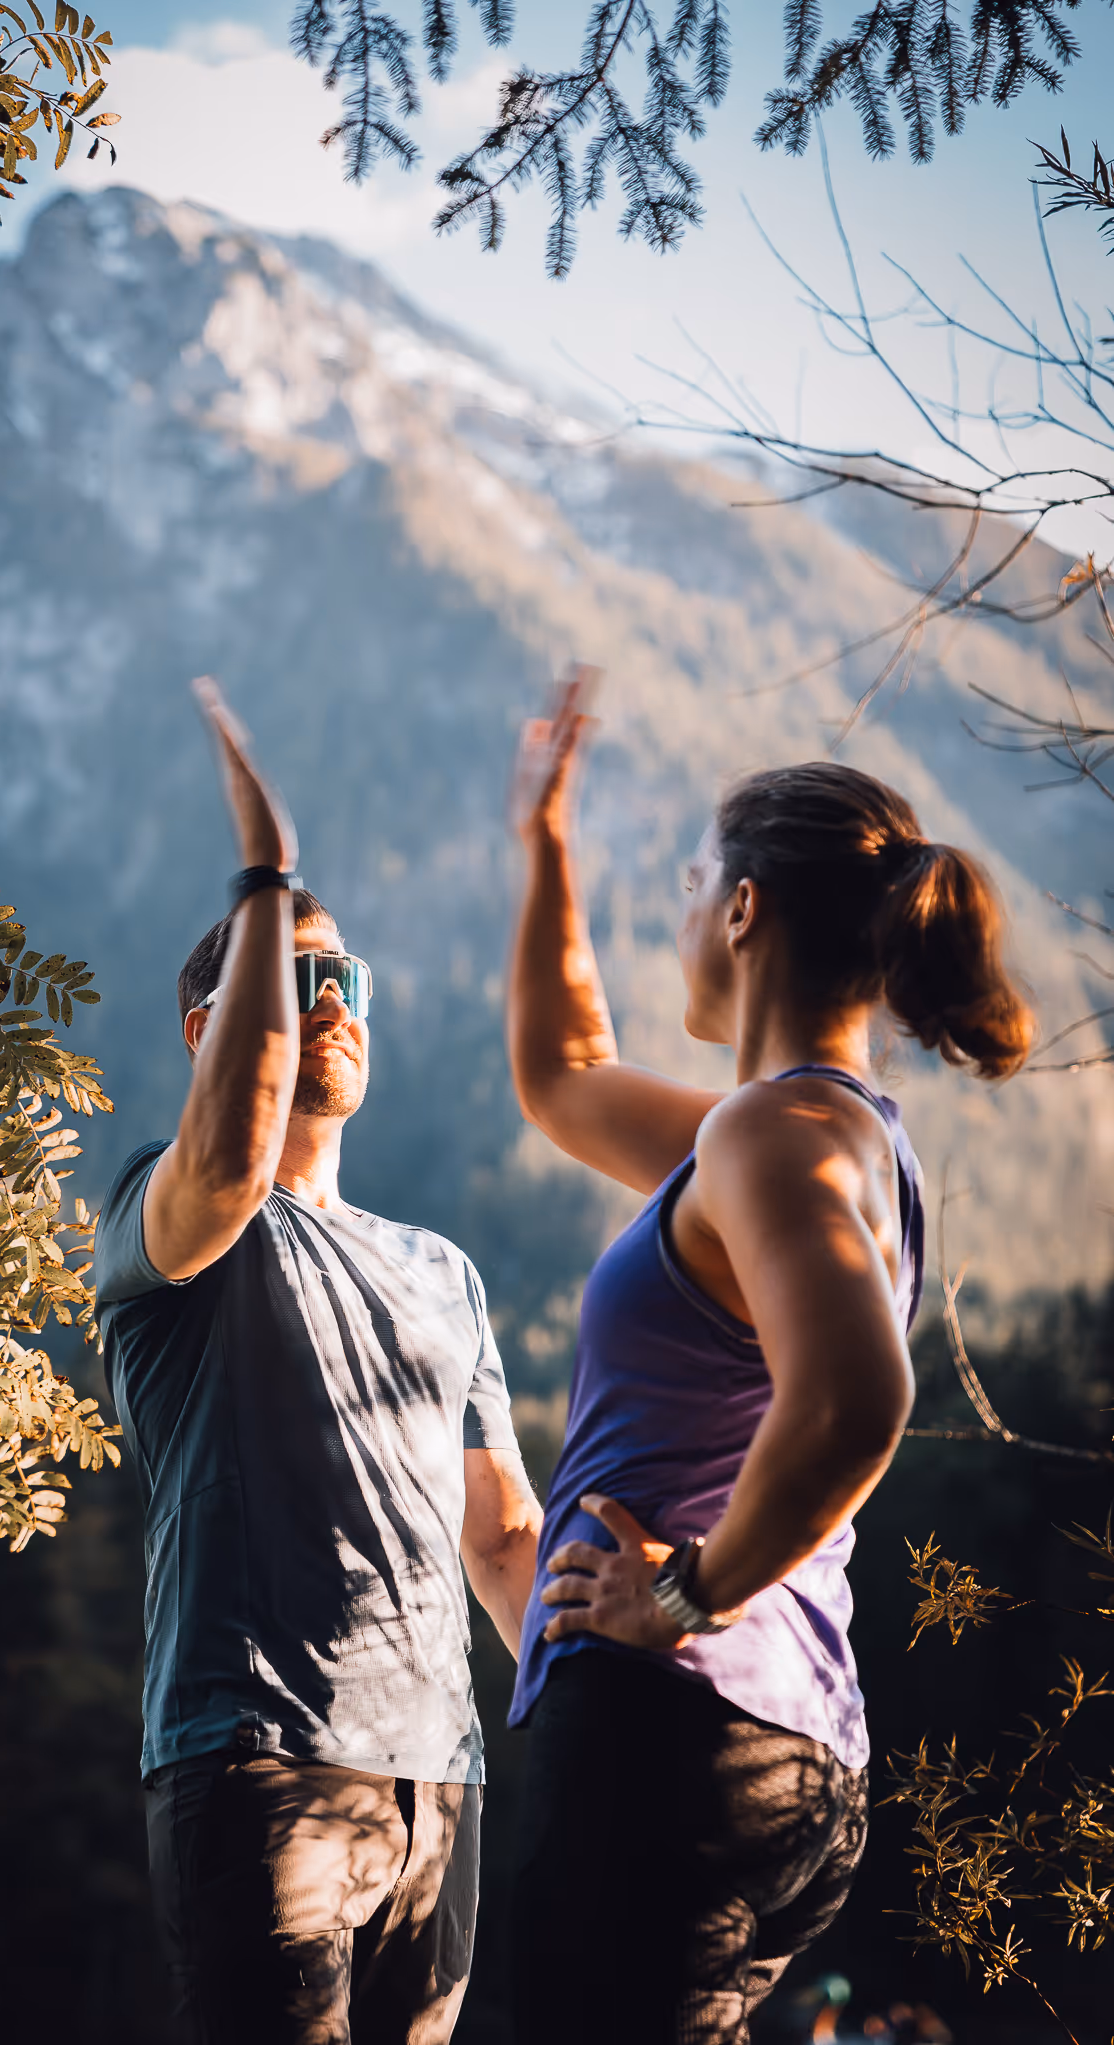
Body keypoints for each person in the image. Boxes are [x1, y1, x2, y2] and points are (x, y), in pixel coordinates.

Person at [504, 670, 1034, 2045]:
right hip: (780, 1750)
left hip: (668, 1736)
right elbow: (562, 1080)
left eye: (691, 882)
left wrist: (684, 1597)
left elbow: (858, 1403)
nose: (679, 912)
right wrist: (544, 851)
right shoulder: (812, 1136)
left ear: (741, 909)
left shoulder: (770, 1136)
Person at [94, 680, 542, 2045]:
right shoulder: (169, 1220)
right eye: (293, 979)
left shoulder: (444, 1270)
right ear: (210, 1030)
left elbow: (505, 1533)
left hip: (438, 1790)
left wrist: (601, 1719)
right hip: (256, 1760)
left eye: (343, 978)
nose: (330, 999)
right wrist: (265, 879)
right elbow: (225, 1157)